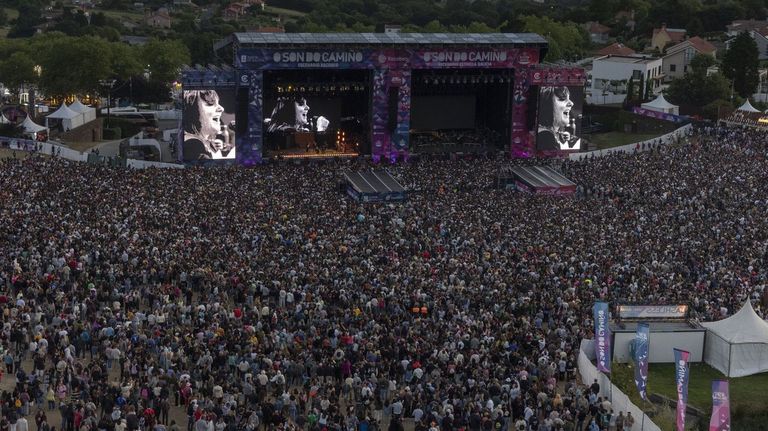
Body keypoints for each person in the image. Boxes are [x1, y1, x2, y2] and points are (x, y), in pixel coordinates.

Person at [182, 90, 236, 161]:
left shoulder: (200, 142)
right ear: (192, 109)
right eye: (211, 103)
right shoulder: (194, 145)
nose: (221, 109)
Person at [537, 86, 581, 151]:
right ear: (547, 105)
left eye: (569, 99)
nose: (571, 103)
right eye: (562, 99)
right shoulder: (545, 137)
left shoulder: (551, 133)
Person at [265, 95, 329, 133]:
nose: (308, 107)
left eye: (306, 104)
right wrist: (320, 129)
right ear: (289, 109)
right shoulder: (287, 130)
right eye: (301, 104)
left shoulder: (299, 129)